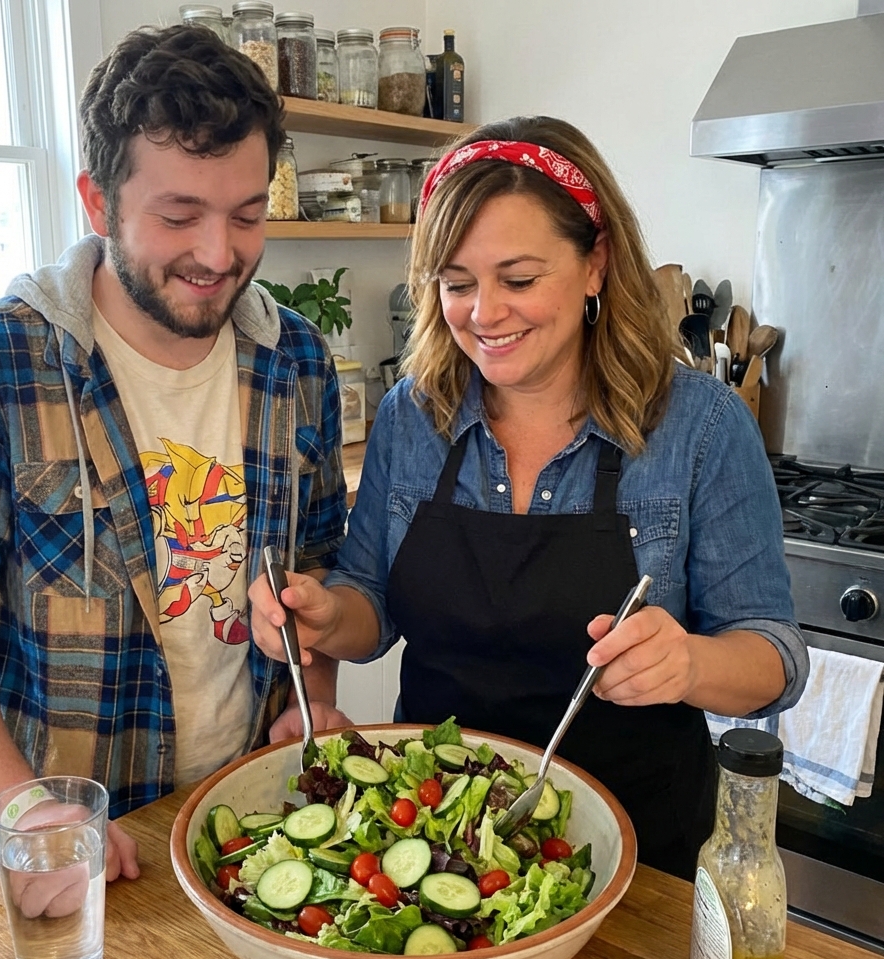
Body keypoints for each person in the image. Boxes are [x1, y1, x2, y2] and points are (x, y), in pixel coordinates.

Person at [249, 116, 808, 880]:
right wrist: (324, 613)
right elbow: (369, 606)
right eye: (455, 284)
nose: (484, 314)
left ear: (595, 264)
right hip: (434, 835)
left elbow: (774, 657)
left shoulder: (700, 427)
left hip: (639, 855)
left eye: (518, 279)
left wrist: (688, 664)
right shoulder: (412, 416)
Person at [0, 24, 349, 883]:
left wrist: (316, 696)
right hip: (86, 852)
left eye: (246, 215)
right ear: (97, 201)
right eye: (178, 215)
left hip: (264, 827)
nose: (218, 254)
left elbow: (314, 565)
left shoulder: (297, 359)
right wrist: (23, 811)